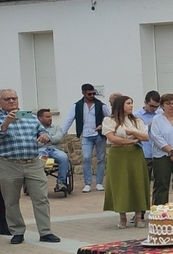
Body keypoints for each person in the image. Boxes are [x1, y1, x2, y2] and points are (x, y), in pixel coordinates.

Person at [0, 89, 59, 244]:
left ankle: (45, 232)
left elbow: (44, 132)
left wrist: (44, 136)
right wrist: (6, 124)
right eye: (7, 99)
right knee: (11, 200)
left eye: (14, 98)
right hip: (9, 164)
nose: (11, 101)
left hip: (33, 163)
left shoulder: (29, 117)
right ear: (0, 102)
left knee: (41, 198)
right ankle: (17, 231)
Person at [102, 95, 152, 229]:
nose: (131, 106)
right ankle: (122, 216)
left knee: (137, 182)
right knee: (120, 184)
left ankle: (138, 216)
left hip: (135, 154)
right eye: (128, 103)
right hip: (118, 154)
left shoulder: (137, 121)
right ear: (120, 105)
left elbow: (146, 137)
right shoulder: (109, 121)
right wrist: (132, 140)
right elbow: (112, 138)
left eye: (131, 103)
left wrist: (133, 132)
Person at [60, 83, 110, 192]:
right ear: (83, 93)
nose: (92, 96)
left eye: (93, 93)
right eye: (89, 94)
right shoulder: (77, 106)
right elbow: (69, 120)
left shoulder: (101, 105)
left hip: (99, 135)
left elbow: (109, 119)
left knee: (101, 158)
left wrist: (103, 126)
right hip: (86, 135)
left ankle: (99, 183)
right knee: (86, 158)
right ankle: (87, 183)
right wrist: (62, 133)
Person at [35, 109, 70, 192]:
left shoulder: (57, 127)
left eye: (50, 116)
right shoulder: (34, 129)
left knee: (64, 157)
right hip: (41, 150)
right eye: (47, 117)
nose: (50, 118)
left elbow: (58, 138)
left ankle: (61, 183)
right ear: (40, 118)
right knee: (39, 160)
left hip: (55, 150)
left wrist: (47, 138)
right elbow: (34, 143)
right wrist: (51, 139)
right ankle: (38, 184)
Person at [134, 91, 160, 182]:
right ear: (145, 103)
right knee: (144, 180)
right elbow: (135, 132)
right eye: (151, 106)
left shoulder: (161, 114)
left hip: (159, 152)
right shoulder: (136, 115)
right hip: (144, 151)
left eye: (156, 106)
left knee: (160, 180)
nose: (154, 109)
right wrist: (148, 126)